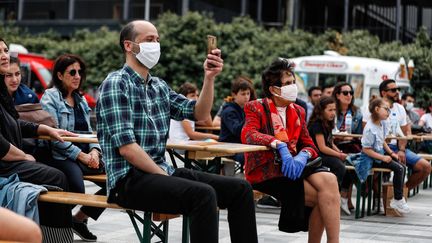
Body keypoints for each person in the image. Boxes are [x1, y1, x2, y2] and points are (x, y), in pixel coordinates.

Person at [96, 20, 258, 243]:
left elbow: (200, 114)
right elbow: (128, 149)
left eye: (157, 40)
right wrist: (164, 176)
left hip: (161, 171)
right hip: (128, 180)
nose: (156, 45)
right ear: (129, 45)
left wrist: (209, 78)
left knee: (240, 188)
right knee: (203, 194)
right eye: (149, 40)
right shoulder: (116, 83)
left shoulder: (158, 86)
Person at [241, 58, 340, 243]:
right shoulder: (256, 107)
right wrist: (278, 144)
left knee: (330, 179)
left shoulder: (298, 110)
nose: (293, 86)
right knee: (322, 196)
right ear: (273, 89)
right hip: (265, 170)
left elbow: (309, 144)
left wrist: (303, 155)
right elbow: (248, 134)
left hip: (293, 167)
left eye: (293, 82)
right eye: (287, 83)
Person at [0, 37, 75, 242]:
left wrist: (46, 130)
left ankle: (59, 233)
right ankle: (57, 239)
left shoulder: (1, 91)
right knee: (57, 178)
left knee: (69, 176)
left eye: (5, 50)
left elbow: (16, 123)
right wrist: (23, 156)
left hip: (12, 160)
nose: (4, 55)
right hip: (5, 165)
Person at [40, 54, 105, 242]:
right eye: (72, 72)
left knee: (119, 181)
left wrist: (95, 151)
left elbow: (90, 133)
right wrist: (81, 156)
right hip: (62, 154)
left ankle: (78, 220)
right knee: (77, 188)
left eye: (80, 72)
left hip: (85, 154)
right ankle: (49, 224)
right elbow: (54, 138)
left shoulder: (81, 99)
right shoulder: (50, 97)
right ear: (60, 75)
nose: (78, 76)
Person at [363, 79, 431, 190]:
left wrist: (402, 150)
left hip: (396, 148)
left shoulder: (400, 108)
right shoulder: (371, 108)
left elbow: (404, 133)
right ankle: (378, 197)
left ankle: (400, 193)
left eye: (398, 89)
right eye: (393, 90)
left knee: (426, 167)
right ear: (383, 93)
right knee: (376, 173)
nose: (397, 92)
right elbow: (366, 132)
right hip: (377, 148)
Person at [357, 98, 409, 215]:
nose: (388, 112)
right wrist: (383, 158)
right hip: (370, 158)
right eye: (386, 109)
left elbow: (383, 141)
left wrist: (391, 153)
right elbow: (366, 150)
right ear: (376, 109)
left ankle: (398, 198)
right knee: (398, 168)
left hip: (380, 154)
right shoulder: (370, 128)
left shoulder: (383, 123)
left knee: (402, 166)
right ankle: (398, 199)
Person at [307, 96, 353, 215]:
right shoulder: (317, 124)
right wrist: (338, 155)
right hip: (316, 155)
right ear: (321, 110)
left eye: (334, 110)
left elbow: (330, 142)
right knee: (339, 167)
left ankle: (342, 197)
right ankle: (332, 196)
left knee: (350, 168)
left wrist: (340, 153)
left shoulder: (327, 123)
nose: (333, 113)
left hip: (325, 153)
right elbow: (322, 147)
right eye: (330, 110)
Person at [219, 78, 254, 168]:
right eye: (243, 94)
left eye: (248, 93)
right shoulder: (228, 111)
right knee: (251, 157)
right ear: (234, 95)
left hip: (239, 146)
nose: (246, 97)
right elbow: (237, 131)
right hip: (227, 148)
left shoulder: (243, 109)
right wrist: (250, 115)